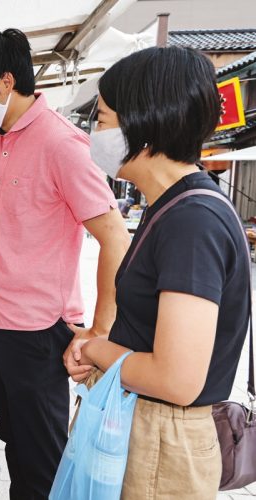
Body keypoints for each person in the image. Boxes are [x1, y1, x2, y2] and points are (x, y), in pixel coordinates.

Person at [0, 27, 130, 498]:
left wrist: (100, 331)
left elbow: (114, 237)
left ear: (4, 84)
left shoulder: (63, 144)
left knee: (43, 458)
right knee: (12, 438)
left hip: (37, 333)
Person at [66, 47, 249, 499]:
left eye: (103, 120)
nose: (96, 133)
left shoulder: (192, 223)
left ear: (144, 125)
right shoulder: (169, 207)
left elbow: (176, 380)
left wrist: (96, 348)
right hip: (141, 426)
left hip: (162, 446)